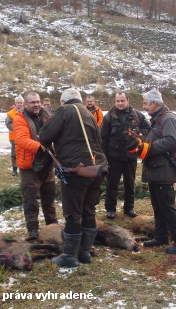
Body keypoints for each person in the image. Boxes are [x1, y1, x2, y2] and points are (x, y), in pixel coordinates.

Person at [39, 88, 107, 267]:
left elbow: (44, 136)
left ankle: (69, 256)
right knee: (88, 211)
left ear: (63, 102)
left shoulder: (64, 111)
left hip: (76, 170)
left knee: (72, 214)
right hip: (96, 169)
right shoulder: (90, 113)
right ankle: (84, 253)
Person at [126, 89, 176, 254]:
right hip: (155, 171)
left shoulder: (168, 118)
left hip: (164, 172)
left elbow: (171, 141)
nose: (144, 106)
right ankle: (160, 237)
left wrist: (148, 148)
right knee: (158, 206)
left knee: (168, 207)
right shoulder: (157, 118)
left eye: (145, 103)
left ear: (154, 103)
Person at [14, 91, 57, 239]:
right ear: (25, 104)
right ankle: (33, 229)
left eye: (38, 101)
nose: (36, 104)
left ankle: (52, 226)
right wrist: (41, 146)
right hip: (29, 167)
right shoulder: (19, 119)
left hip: (47, 165)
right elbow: (21, 139)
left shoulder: (47, 116)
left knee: (49, 198)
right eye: (32, 102)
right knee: (30, 200)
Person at [100, 91, 148, 219]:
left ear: (128, 100)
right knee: (112, 184)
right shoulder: (108, 117)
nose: (120, 103)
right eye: (117, 101)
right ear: (115, 102)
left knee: (130, 183)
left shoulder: (137, 116)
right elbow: (102, 139)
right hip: (113, 157)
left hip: (130, 157)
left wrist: (139, 135)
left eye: (122, 101)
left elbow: (147, 130)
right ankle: (110, 209)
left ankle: (129, 208)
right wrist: (104, 157)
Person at [5, 96, 24, 176]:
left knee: (23, 153)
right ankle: (14, 170)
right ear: (15, 103)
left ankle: (23, 168)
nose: (19, 104)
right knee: (14, 154)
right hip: (14, 137)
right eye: (18, 103)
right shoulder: (10, 113)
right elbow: (8, 124)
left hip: (24, 136)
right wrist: (16, 129)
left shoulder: (25, 112)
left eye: (21, 103)